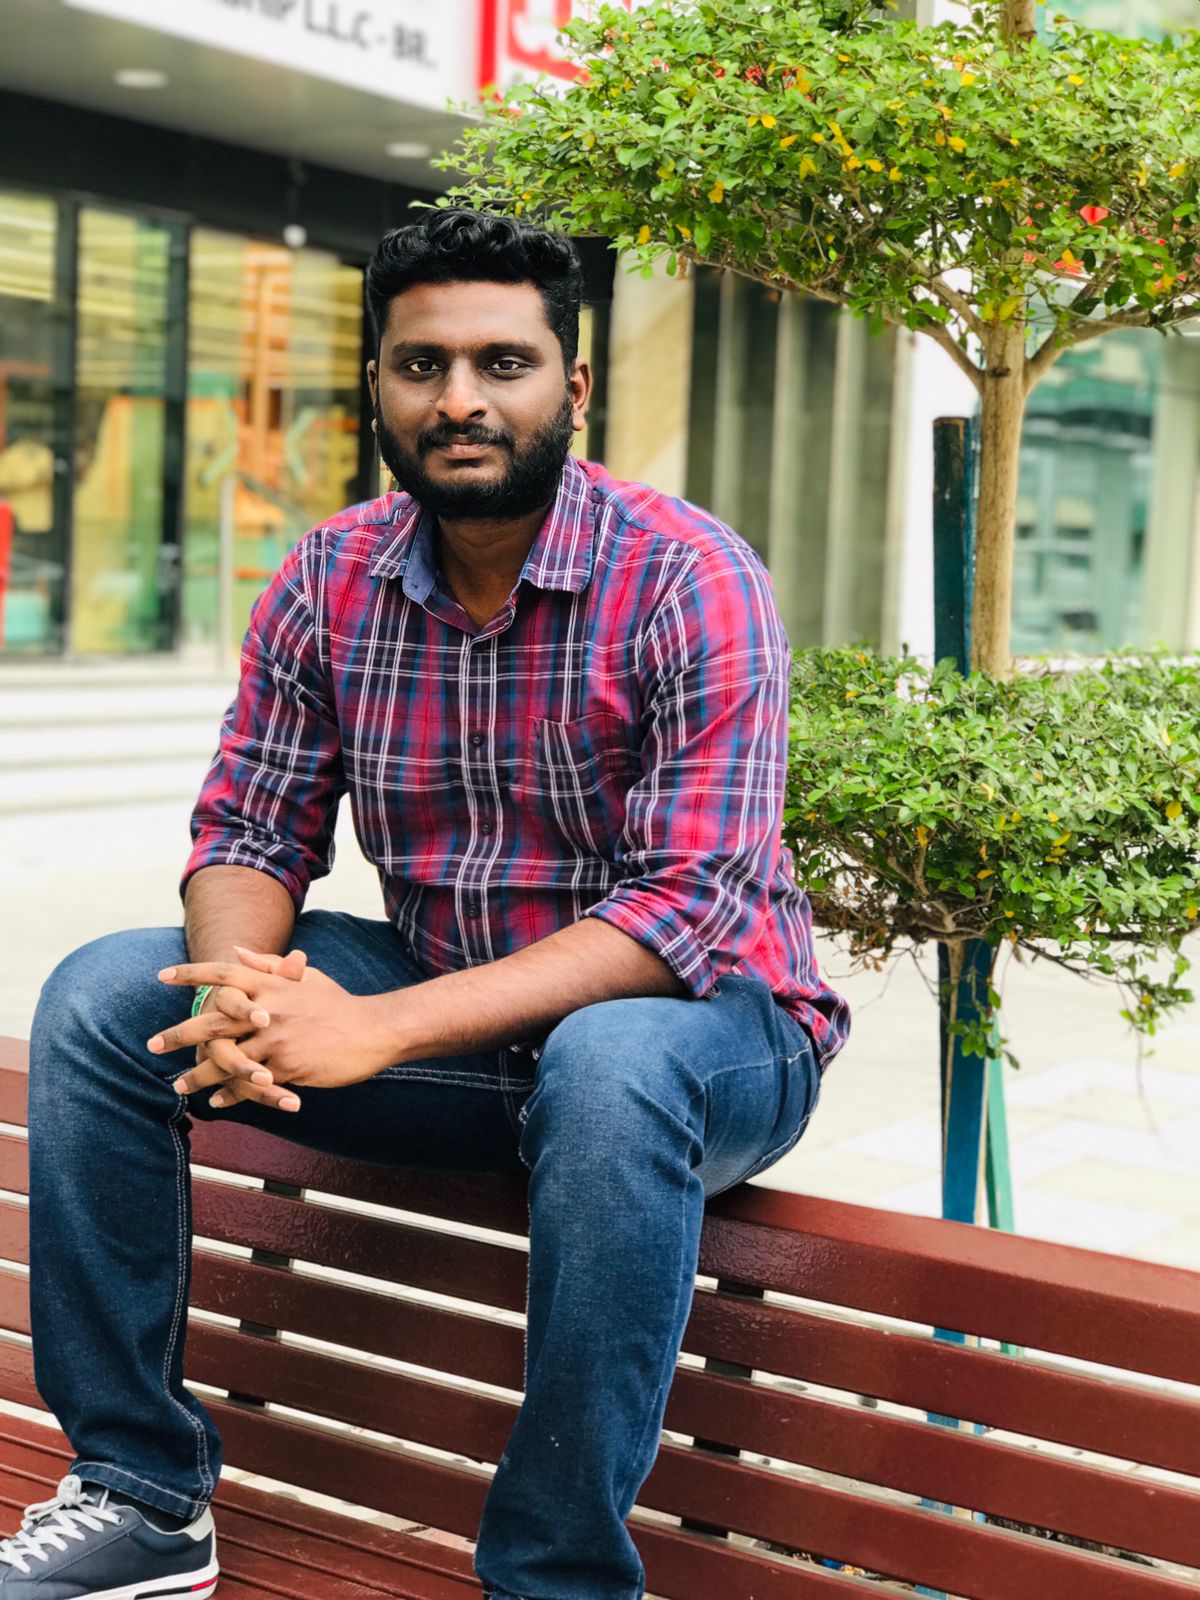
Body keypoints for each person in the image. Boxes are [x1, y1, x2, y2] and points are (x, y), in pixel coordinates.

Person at [18, 209, 851, 1600]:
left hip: (708, 1036)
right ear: (378, 387)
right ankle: (141, 1497)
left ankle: (555, 1578)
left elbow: (687, 910)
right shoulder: (330, 574)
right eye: (422, 365)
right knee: (108, 999)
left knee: (612, 1065)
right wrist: (242, 992)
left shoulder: (688, 575)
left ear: (574, 387)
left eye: (502, 363)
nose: (460, 398)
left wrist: (378, 1028)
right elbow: (251, 827)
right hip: (459, 1027)